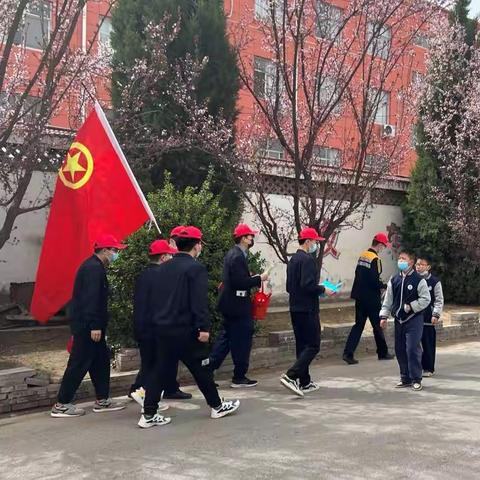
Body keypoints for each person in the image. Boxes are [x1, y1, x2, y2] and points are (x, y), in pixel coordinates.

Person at [139, 226, 240, 428]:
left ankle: (148, 414)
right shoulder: (195, 268)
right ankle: (217, 406)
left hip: (163, 328)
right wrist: (203, 327)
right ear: (197, 245)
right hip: (185, 329)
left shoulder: (164, 267)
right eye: (201, 243)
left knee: (159, 370)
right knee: (201, 368)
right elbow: (198, 301)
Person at [51, 234, 127, 417]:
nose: (116, 254)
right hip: (87, 326)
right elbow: (91, 299)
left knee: (101, 362)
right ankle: (62, 403)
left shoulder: (95, 266)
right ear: (104, 250)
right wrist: (94, 325)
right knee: (79, 363)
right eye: (114, 250)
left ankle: (102, 399)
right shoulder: (93, 269)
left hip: (92, 324)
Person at [209, 223, 270, 388]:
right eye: (250, 236)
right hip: (237, 306)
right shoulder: (237, 256)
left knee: (226, 339)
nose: (252, 239)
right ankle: (239, 376)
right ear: (243, 238)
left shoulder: (235, 254)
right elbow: (239, 282)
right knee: (242, 340)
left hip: (231, 305)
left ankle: (207, 371)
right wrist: (259, 278)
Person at [280, 227, 336, 397]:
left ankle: (304, 381)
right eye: (315, 242)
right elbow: (308, 285)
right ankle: (291, 375)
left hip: (295, 307)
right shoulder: (307, 260)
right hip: (308, 308)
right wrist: (323, 289)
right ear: (308, 241)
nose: (316, 245)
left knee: (302, 345)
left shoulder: (293, 260)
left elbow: (290, 287)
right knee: (313, 345)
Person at [129, 239, 178, 411]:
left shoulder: (143, 275)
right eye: (170, 255)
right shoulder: (162, 276)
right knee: (155, 366)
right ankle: (147, 400)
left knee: (149, 364)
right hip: (157, 329)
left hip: (143, 328)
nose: (172, 258)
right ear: (164, 257)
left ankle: (141, 393)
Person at [380, 249, 431, 392]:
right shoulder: (394, 280)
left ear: (411, 262)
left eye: (404, 259)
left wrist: (411, 307)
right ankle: (405, 378)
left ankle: (416, 378)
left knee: (412, 348)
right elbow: (388, 300)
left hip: (414, 320)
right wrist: (383, 316)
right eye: (399, 258)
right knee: (400, 349)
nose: (400, 261)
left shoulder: (419, 280)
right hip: (399, 320)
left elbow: (426, 299)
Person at [343, 232, 395, 365]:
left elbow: (359, 275)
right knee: (377, 325)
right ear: (379, 245)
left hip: (360, 296)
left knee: (358, 325)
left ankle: (348, 353)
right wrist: (384, 285)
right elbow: (374, 280)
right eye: (383, 246)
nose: (383, 249)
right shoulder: (375, 259)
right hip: (371, 298)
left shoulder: (363, 255)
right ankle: (382, 352)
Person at [415, 254, 444, 377]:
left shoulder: (434, 281)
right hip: (414, 318)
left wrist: (436, 314)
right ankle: (416, 367)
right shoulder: (413, 279)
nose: (419, 267)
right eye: (417, 264)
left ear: (428, 267)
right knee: (414, 345)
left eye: (422, 264)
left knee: (428, 344)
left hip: (428, 318)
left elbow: (439, 299)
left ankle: (428, 368)